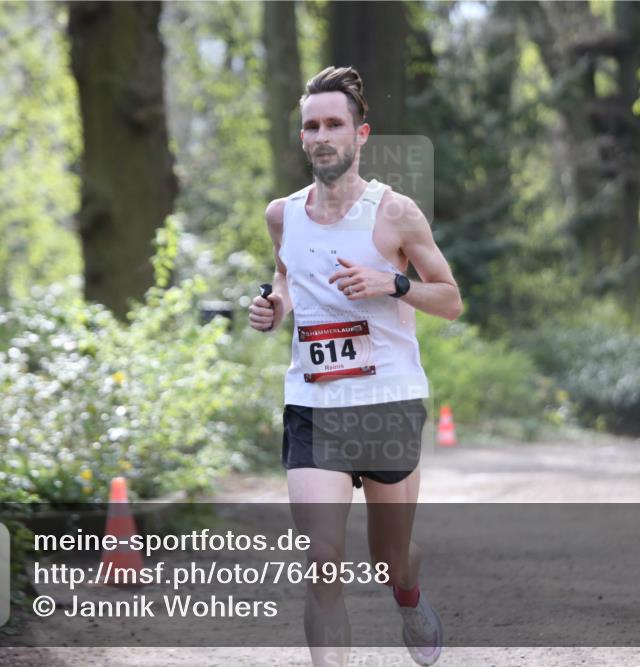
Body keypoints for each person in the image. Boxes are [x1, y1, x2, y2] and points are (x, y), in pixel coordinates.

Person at [249, 65, 462, 667]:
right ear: (302, 136)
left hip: (387, 402)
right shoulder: (282, 214)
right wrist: (275, 304)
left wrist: (392, 283)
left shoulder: (395, 213)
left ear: (360, 134)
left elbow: (449, 299)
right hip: (314, 405)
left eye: (334, 124)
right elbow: (287, 275)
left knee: (390, 561)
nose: (322, 136)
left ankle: (408, 594)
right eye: (312, 126)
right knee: (322, 563)